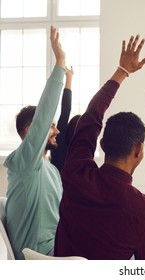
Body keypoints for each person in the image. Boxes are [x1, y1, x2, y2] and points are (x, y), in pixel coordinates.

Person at [54, 34, 145, 260]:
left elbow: (91, 117)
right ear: (139, 151)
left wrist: (122, 70)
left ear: (101, 145)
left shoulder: (75, 174)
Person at [2, 26, 66, 260]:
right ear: (31, 132)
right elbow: (44, 113)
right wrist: (60, 63)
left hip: (56, 248)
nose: (56, 130)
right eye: (51, 125)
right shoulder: (25, 162)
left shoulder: (52, 171)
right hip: (37, 256)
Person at [51, 66, 81, 172]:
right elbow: (66, 109)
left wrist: (69, 77)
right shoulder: (80, 151)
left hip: (55, 185)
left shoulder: (59, 141)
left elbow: (66, 110)